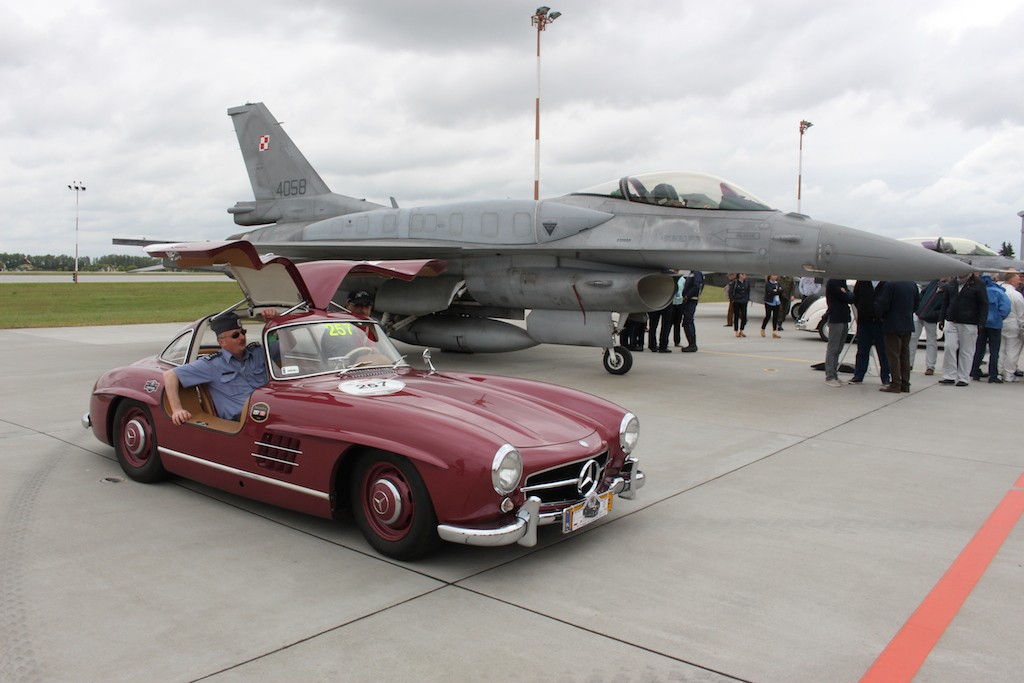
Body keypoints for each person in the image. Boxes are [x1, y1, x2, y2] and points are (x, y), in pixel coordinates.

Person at [164, 310, 278, 425]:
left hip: (270, 410)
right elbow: (170, 375)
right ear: (222, 342)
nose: (242, 337)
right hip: (242, 421)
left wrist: (274, 322)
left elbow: (287, 347)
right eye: (235, 335)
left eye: (243, 332)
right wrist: (177, 410)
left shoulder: (258, 352)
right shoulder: (211, 364)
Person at [938, 273, 987, 387]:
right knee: (949, 346)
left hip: (969, 321)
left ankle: (963, 377)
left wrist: (981, 322)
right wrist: (941, 318)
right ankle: (949, 375)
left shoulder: (978, 284)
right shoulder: (952, 283)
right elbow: (945, 302)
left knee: (966, 350)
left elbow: (983, 304)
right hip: (951, 320)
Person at [874, 280, 920, 393]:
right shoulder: (912, 284)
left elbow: (882, 304)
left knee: (893, 355)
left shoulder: (890, 284)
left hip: (892, 323)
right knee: (904, 355)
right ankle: (905, 383)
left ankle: (895, 383)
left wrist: (879, 316)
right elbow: (916, 305)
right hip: (907, 323)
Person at [849, 280, 891, 385]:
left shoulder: (886, 283)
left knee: (883, 351)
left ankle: (886, 376)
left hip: (881, 323)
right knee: (862, 351)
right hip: (864, 322)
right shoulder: (862, 282)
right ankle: (858, 375)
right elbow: (856, 298)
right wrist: (864, 309)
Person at [909, 278, 945, 376]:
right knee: (913, 338)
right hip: (920, 313)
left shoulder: (948, 288)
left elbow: (945, 306)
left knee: (931, 341)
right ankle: (909, 363)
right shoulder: (934, 283)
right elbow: (922, 294)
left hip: (931, 317)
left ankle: (930, 366)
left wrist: (935, 315)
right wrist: (917, 307)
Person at [823, 279, 853, 387]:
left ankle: (834, 374)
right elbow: (846, 296)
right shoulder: (833, 282)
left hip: (844, 318)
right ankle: (830, 376)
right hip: (836, 318)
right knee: (833, 348)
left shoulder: (841, 281)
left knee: (839, 349)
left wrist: (846, 292)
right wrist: (845, 293)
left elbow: (851, 297)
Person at [999, 271, 1024, 382]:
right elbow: (1020, 315)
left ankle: (999, 371)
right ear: (1011, 280)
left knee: (1001, 349)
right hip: (1013, 325)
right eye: (1017, 278)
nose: (1019, 281)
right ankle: (1009, 374)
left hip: (999, 323)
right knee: (1012, 351)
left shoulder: (999, 290)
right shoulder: (1016, 295)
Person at [679, 270, 703, 352]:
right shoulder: (692, 273)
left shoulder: (697, 273)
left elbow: (697, 287)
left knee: (688, 321)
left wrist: (687, 296)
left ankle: (692, 344)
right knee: (687, 321)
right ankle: (691, 343)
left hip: (691, 300)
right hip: (689, 300)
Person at [729, 272, 750, 337]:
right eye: (742, 274)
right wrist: (733, 299)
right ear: (739, 275)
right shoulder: (735, 283)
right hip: (736, 301)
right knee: (736, 316)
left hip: (744, 301)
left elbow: (748, 291)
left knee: (744, 316)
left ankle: (741, 330)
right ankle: (736, 331)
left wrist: (747, 299)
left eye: (745, 274)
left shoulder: (746, 283)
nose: (744, 275)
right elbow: (731, 291)